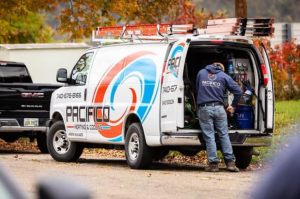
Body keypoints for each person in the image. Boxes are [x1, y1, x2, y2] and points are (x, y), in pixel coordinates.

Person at [196, 63, 242, 172]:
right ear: (221, 68)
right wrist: (233, 106)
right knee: (224, 135)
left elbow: (197, 89)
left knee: (209, 136)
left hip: (204, 107)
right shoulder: (223, 76)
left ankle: (213, 165)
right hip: (219, 108)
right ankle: (230, 163)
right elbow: (238, 91)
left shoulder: (201, 72)